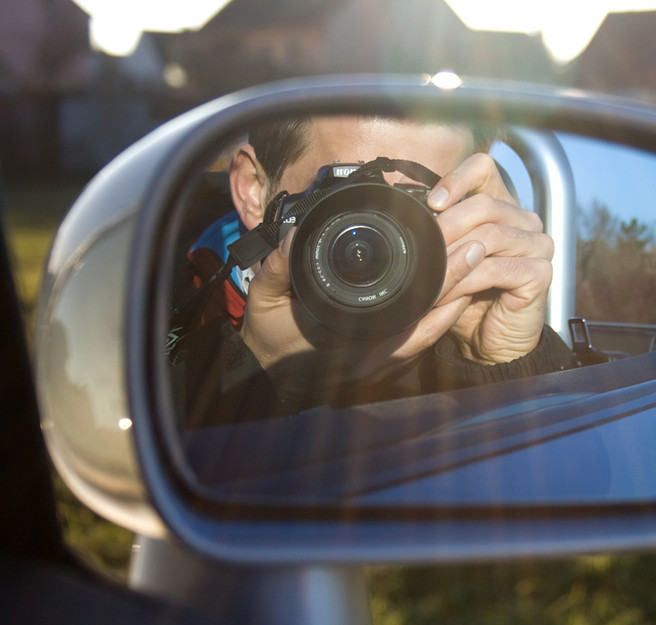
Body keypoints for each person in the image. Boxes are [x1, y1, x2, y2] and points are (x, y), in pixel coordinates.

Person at [172, 115, 575, 425]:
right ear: (253, 190)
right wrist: (253, 366)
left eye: (419, 202)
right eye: (349, 194)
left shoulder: (465, 319)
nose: (372, 237)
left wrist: (501, 364)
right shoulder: (142, 311)